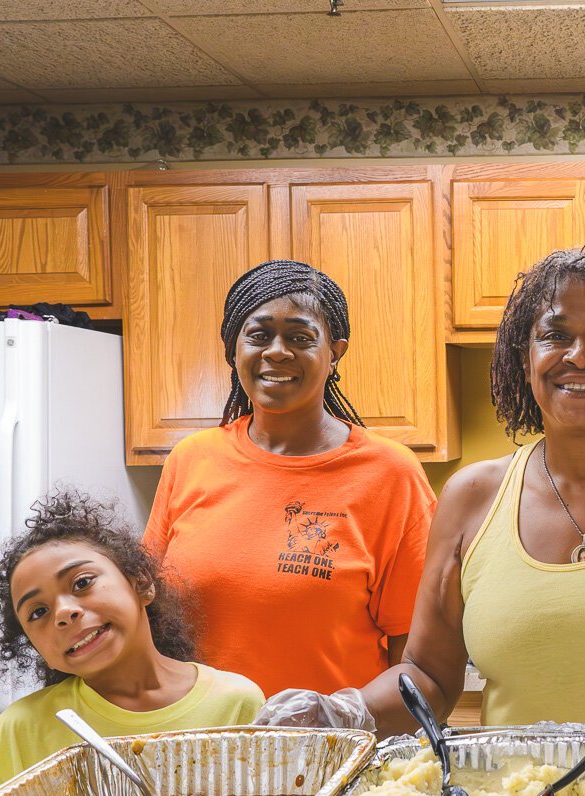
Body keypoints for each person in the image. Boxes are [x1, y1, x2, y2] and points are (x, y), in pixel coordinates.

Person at [261, 244, 585, 796]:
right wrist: (346, 714)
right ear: (524, 356)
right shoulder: (470, 497)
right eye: (556, 335)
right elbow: (429, 678)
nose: (581, 355)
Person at [144, 260, 436, 699]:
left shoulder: (390, 474)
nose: (277, 351)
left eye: (300, 337)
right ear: (233, 347)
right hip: (204, 755)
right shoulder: (190, 460)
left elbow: (416, 660)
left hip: (333, 755)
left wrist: (344, 717)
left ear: (335, 352)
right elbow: (147, 616)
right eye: (259, 335)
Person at [0, 490, 262, 796]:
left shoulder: (237, 704)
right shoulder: (17, 732)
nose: (63, 613)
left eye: (82, 583)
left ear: (141, 583)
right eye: (38, 612)